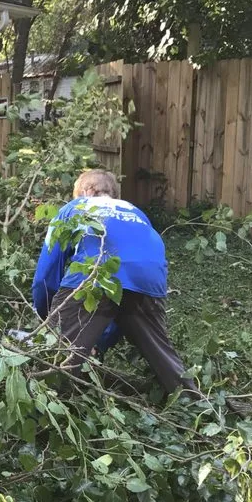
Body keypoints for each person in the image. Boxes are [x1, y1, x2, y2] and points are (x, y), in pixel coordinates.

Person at [31, 169, 198, 397]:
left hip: (95, 275)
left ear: (86, 191)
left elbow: (45, 276)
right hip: (150, 280)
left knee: (57, 357)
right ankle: (197, 406)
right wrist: (99, 342)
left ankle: (50, 405)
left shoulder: (74, 208)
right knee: (162, 355)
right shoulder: (137, 213)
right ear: (113, 194)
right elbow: (119, 306)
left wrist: (49, 320)